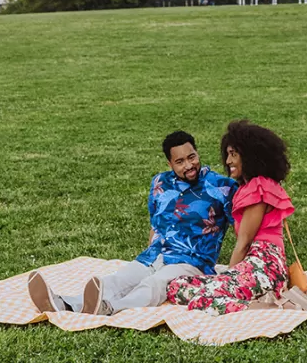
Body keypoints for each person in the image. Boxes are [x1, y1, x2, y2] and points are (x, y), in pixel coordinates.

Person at [28, 131, 237, 316]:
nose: (189, 165)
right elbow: (156, 224)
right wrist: (149, 258)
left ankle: (110, 308)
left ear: (198, 153)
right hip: (155, 255)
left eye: (192, 157)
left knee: (154, 284)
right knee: (118, 280)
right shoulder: (159, 183)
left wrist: (237, 273)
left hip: (192, 262)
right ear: (170, 164)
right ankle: (63, 304)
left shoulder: (222, 187)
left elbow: (242, 231)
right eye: (180, 161)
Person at [167, 120, 307, 317]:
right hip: (252, 265)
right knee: (176, 287)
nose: (228, 161)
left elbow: (244, 244)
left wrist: (230, 275)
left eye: (234, 154)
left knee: (202, 300)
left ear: (250, 157)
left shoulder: (260, 188)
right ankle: (257, 300)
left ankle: (283, 307)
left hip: (265, 266)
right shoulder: (247, 188)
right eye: (227, 154)